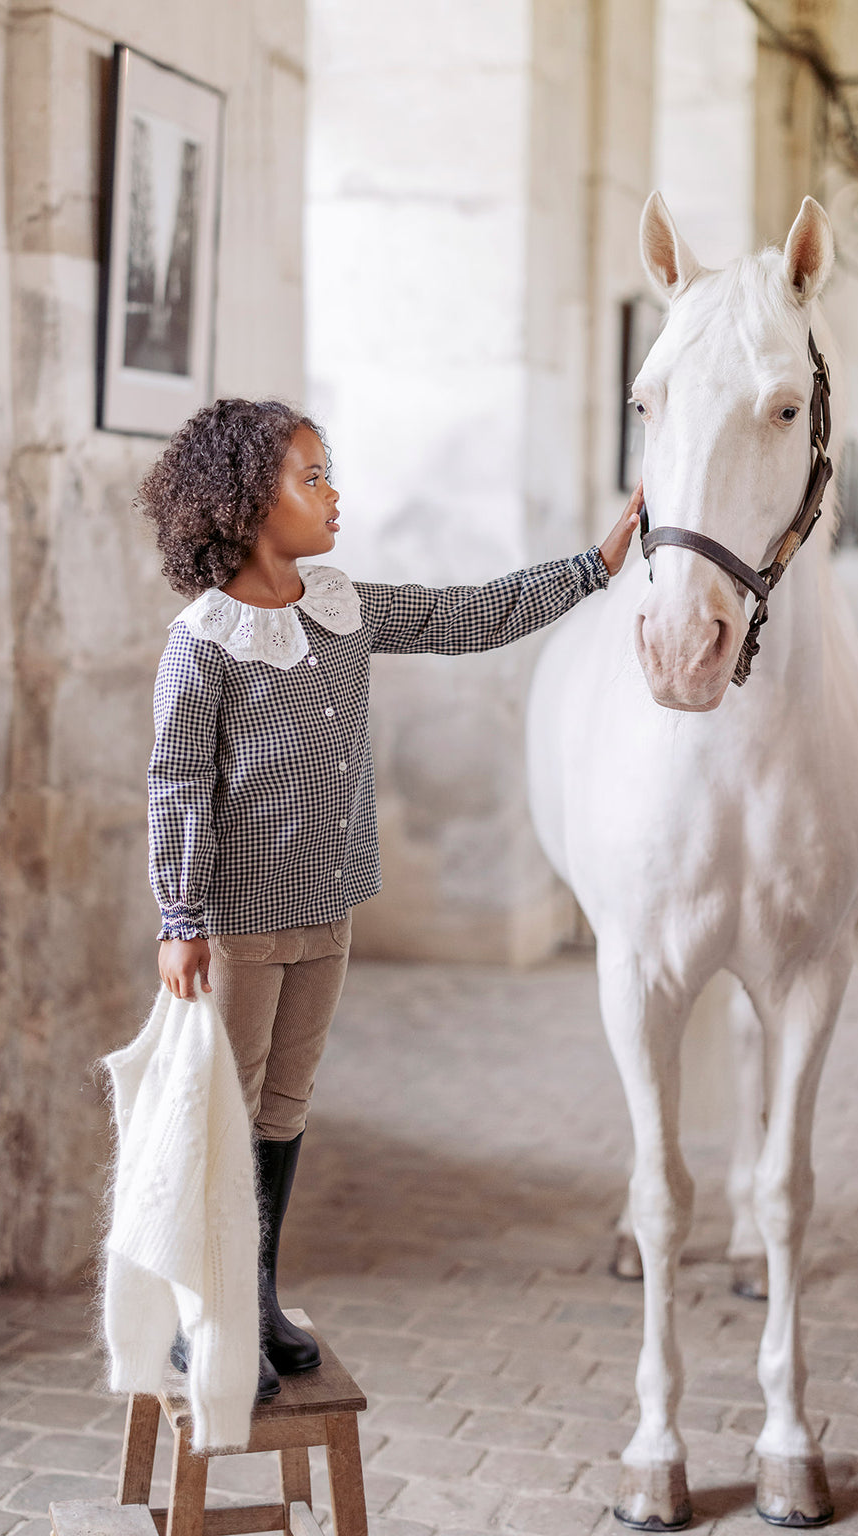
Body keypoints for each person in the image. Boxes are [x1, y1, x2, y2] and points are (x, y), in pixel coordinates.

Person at [140, 397, 641, 1399]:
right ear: (247, 503)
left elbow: (466, 615)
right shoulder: (202, 644)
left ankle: (260, 1295)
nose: (333, 494)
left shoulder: (342, 608)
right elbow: (177, 782)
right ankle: (208, 1315)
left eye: (328, 472)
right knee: (223, 1115)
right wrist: (180, 917)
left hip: (328, 911)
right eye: (310, 476)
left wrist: (591, 568)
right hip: (236, 927)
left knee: (281, 1110)